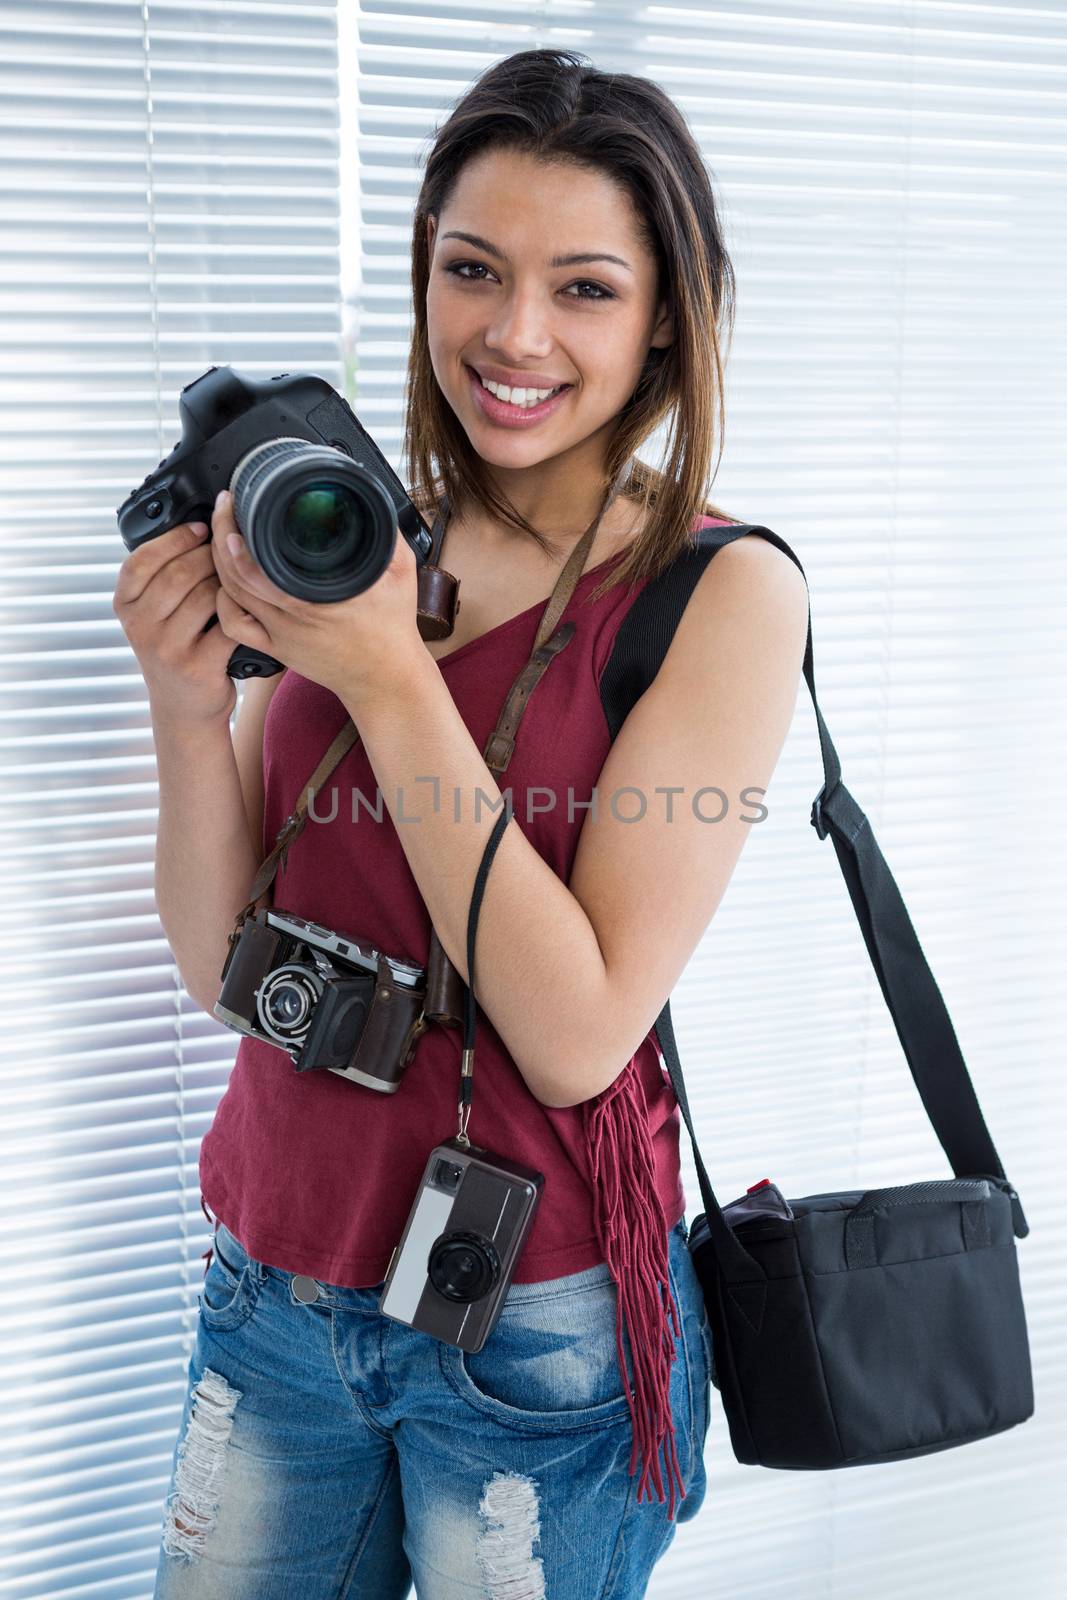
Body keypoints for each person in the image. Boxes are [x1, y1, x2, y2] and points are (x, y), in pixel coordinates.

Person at [115, 46, 808, 1600]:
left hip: (532, 1325)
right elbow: (224, 959)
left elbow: (577, 1036)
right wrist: (184, 699)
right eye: (473, 271)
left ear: (664, 321)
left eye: (584, 288)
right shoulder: (356, 534)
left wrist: (381, 677)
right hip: (271, 1281)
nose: (514, 334)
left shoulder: (723, 591)